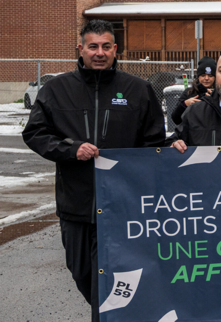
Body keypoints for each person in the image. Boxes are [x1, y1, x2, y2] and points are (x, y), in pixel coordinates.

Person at [23, 20, 165, 322]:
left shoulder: (137, 90)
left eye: (105, 46)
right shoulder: (56, 90)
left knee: (109, 282)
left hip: (121, 209)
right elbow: (35, 133)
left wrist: (171, 147)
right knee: (82, 273)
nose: (99, 53)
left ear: (115, 49)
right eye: (93, 46)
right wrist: (70, 149)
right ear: (81, 49)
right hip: (76, 205)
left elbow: (153, 141)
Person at [171, 57, 216, 125]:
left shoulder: (220, 93)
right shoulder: (189, 92)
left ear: (215, 77)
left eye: (210, 75)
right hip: (192, 130)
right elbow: (175, 119)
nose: (206, 78)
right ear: (198, 77)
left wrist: (215, 101)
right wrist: (185, 105)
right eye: (203, 75)